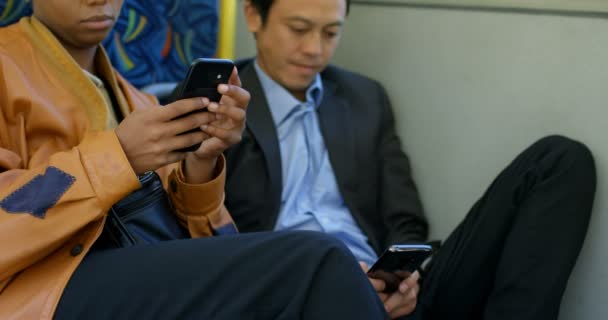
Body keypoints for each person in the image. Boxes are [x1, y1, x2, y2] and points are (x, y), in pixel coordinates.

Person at [0, 0, 390, 319]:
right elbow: (11, 213)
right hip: (46, 283)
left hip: (136, 263)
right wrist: (117, 157)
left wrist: (201, 162)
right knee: (318, 259)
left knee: (332, 273)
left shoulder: (136, 99)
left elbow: (201, 235)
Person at [222, 0, 597, 319]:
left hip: (388, 295)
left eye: (331, 33)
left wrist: (400, 278)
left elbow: (404, 220)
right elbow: (206, 239)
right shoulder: (221, 103)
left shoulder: (364, 98)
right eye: (299, 28)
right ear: (254, 15)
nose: (315, 49)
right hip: (295, 296)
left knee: (561, 160)